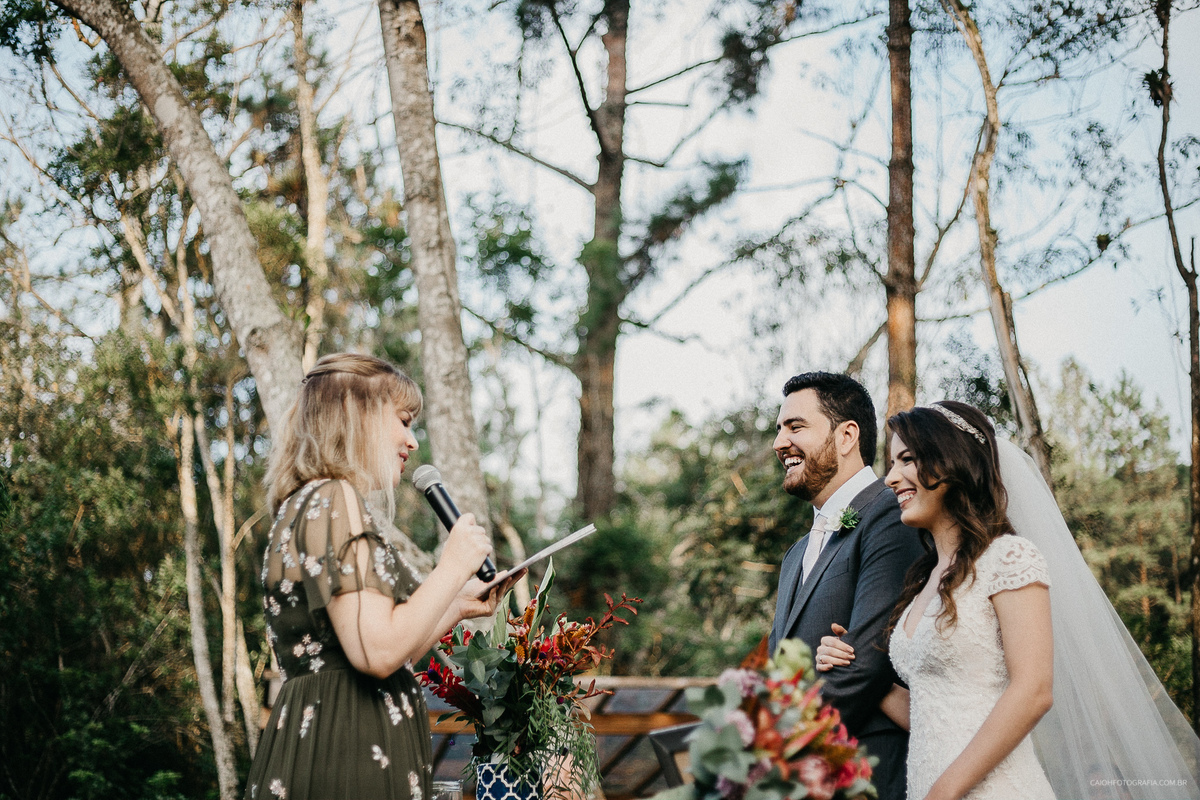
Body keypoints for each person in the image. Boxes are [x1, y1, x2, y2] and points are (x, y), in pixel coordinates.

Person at [817, 401, 1200, 800]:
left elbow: (1034, 691)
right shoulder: (922, 582)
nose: (891, 478)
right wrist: (857, 663)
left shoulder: (1009, 558)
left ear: (952, 463)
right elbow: (932, 714)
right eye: (891, 463)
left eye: (907, 460)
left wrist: (944, 791)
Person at [244, 353, 521, 800]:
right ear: (360, 414)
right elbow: (377, 652)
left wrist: (458, 603)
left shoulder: (309, 502)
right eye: (405, 420)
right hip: (345, 747)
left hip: (335, 736)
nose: (412, 442)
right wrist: (451, 566)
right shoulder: (334, 498)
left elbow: (381, 641)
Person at [769, 372, 923, 800]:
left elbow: (867, 662)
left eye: (795, 427)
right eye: (779, 429)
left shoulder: (892, 514)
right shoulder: (796, 554)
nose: (779, 443)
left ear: (846, 436)